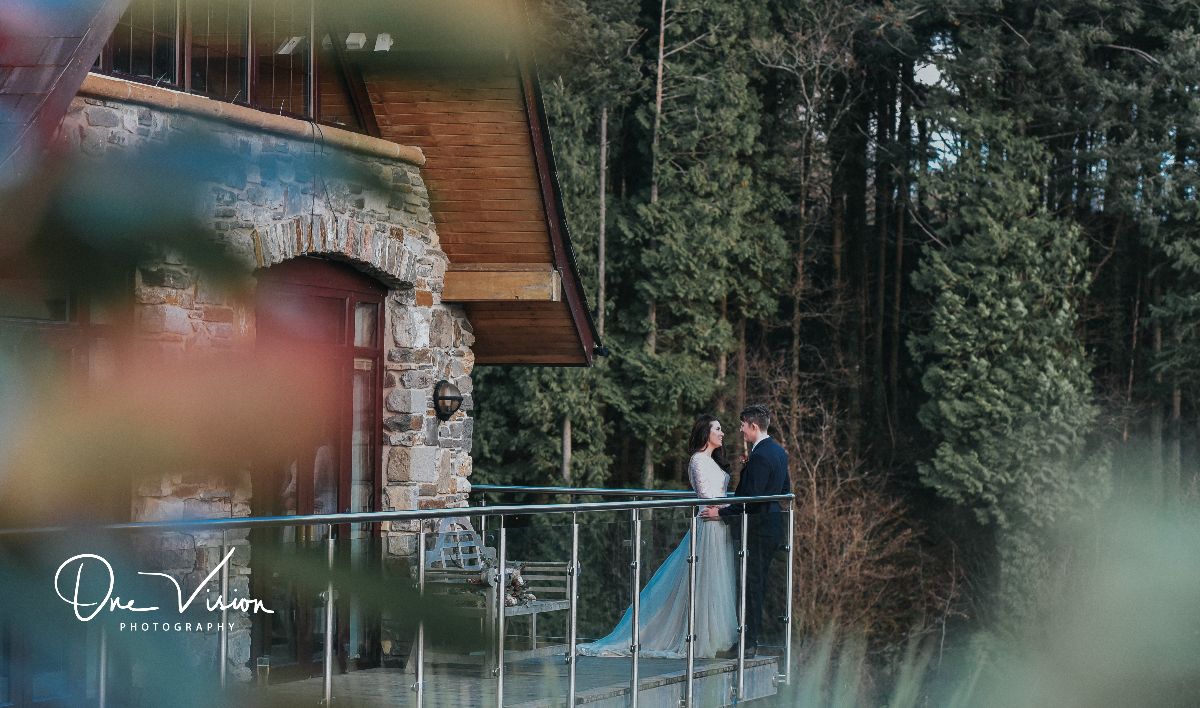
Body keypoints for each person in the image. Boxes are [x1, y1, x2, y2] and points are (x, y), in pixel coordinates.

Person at [577, 415, 738, 659]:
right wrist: (723, 511)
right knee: (702, 579)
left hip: (719, 523)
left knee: (715, 580)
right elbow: (706, 496)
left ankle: (711, 635)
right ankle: (694, 635)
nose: (722, 432)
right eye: (718, 428)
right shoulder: (698, 460)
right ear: (706, 433)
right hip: (709, 523)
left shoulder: (712, 461)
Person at [703, 404, 790, 659]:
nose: (740, 430)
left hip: (759, 528)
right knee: (755, 584)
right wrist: (749, 469)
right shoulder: (778, 452)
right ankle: (749, 641)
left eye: (742, 425)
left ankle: (747, 644)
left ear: (753, 426)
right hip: (772, 525)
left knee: (750, 586)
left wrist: (721, 513)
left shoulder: (762, 456)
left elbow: (750, 500)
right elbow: (784, 489)